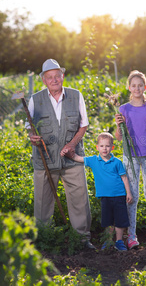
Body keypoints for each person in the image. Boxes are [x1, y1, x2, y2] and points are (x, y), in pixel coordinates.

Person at [27, 58, 95, 249]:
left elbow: (83, 125)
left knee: (79, 198)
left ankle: (82, 239)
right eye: (50, 77)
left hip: (72, 159)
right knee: (43, 201)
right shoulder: (35, 99)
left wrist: (72, 144)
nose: (54, 80)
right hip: (45, 159)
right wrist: (33, 136)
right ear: (44, 80)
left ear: (62, 76)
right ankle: (44, 238)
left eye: (57, 76)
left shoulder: (76, 95)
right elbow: (29, 128)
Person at [115, 70, 146, 249]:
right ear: (129, 87)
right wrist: (118, 124)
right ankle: (132, 236)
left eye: (140, 85)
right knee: (132, 196)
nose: (137, 88)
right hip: (131, 156)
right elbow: (119, 138)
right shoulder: (123, 109)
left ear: (145, 87)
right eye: (133, 85)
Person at [61, 132, 133, 251]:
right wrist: (68, 153)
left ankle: (119, 242)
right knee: (107, 220)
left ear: (112, 147)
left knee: (120, 220)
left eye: (107, 146)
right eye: (102, 146)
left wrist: (128, 193)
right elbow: (78, 158)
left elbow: (124, 178)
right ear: (97, 147)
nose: (104, 149)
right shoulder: (94, 160)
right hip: (105, 197)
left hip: (119, 195)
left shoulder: (117, 162)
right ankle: (109, 240)